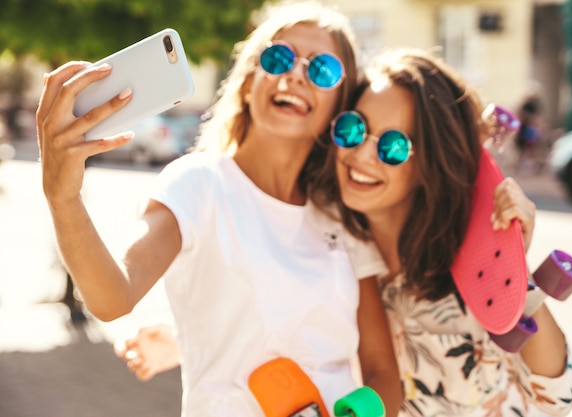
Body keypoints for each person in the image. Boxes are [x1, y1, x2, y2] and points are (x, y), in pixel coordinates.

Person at [35, 1, 402, 416]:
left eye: (322, 70)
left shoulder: (343, 216)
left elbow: (383, 373)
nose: (297, 74)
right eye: (279, 58)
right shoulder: (199, 184)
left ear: (339, 105)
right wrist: (62, 198)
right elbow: (112, 298)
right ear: (248, 81)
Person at [316, 48, 572, 416]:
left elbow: (557, 396)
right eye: (352, 129)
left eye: (392, 147)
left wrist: (516, 272)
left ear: (428, 162)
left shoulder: (470, 259)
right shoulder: (332, 245)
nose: (360, 154)